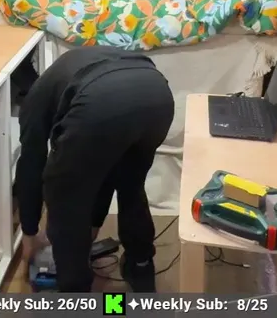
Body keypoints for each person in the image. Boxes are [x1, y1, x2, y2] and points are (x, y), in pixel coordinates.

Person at [15, 46, 175, 293]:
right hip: (157, 95)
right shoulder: (67, 70)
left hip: (101, 100)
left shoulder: (35, 101)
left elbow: (31, 165)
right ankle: (140, 267)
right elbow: (103, 165)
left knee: (63, 197)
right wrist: (92, 226)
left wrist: (29, 234)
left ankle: (75, 293)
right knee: (130, 183)